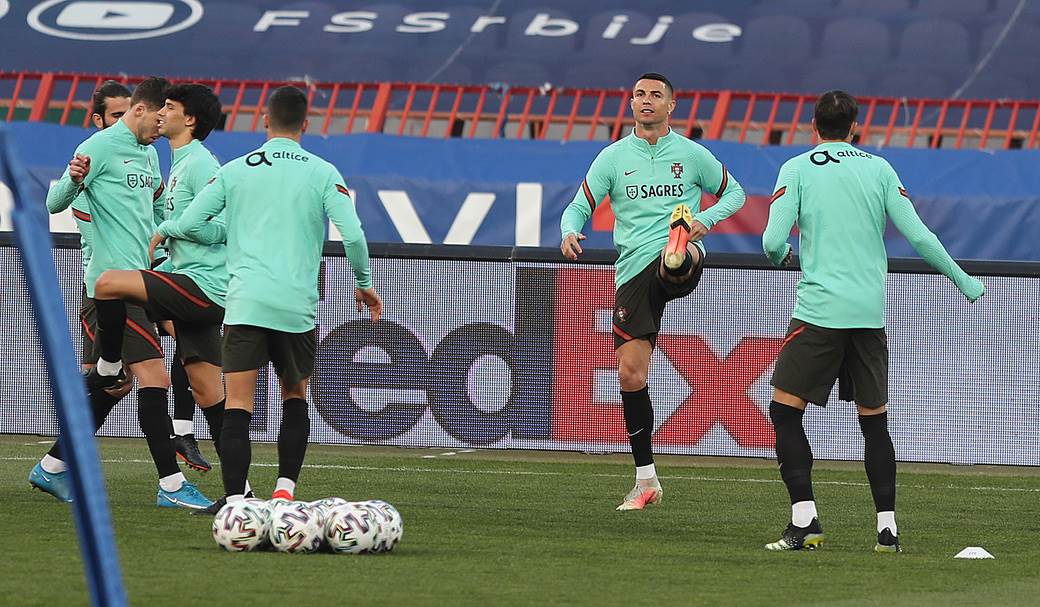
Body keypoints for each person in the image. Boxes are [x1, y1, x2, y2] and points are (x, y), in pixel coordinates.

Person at [761, 90, 985, 552]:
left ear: (813, 126)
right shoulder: (878, 168)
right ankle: (887, 530)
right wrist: (964, 281)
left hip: (820, 311)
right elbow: (919, 235)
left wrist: (785, 254)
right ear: (855, 127)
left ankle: (805, 520)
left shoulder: (797, 168)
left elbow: (770, 242)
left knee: (785, 411)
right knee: (874, 422)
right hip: (867, 312)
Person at [164, 86, 381, 513]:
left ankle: (235, 503)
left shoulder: (235, 170)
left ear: (264, 121)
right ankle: (284, 493)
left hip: (245, 302)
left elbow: (189, 222)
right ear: (306, 124)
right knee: (294, 397)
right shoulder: (322, 171)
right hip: (296, 307)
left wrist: (172, 231)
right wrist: (364, 281)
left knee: (238, 405)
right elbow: (353, 234)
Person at [560, 72, 746, 511]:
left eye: (655, 95)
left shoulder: (692, 155)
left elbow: (735, 193)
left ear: (671, 105)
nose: (647, 101)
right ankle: (646, 481)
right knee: (630, 374)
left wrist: (705, 221)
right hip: (631, 274)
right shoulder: (612, 158)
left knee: (677, 259)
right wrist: (570, 230)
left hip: (673, 253)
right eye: (640, 95)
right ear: (630, 104)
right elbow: (579, 205)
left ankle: (680, 251)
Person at [35, 76, 213, 510]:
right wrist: (74, 180)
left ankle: (53, 466)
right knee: (155, 377)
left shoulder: (150, 155)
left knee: (115, 384)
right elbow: (53, 203)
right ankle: (171, 487)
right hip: (109, 288)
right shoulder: (96, 148)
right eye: (158, 116)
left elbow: (153, 213)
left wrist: (166, 252)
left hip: (141, 282)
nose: (162, 125)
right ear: (139, 110)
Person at [92, 83, 228, 480]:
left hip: (201, 286)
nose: (159, 113)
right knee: (209, 394)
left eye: (168, 107)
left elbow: (225, 227)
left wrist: (171, 229)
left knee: (107, 284)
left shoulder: (202, 163)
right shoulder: (179, 161)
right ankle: (243, 493)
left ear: (189, 119)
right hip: (188, 283)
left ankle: (107, 365)